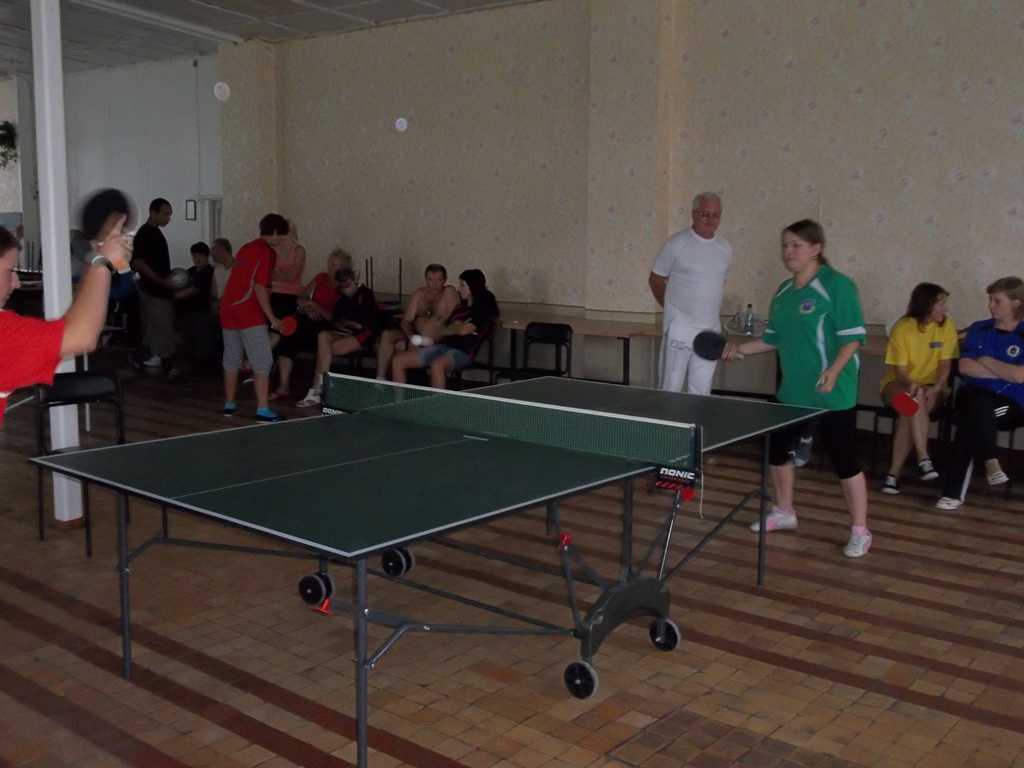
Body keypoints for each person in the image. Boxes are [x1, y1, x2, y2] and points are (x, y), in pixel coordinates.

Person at [722, 219, 871, 558]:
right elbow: (773, 339)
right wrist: (740, 350)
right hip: (793, 390)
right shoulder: (784, 292)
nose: (788, 252)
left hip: (832, 390)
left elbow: (853, 337)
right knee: (776, 449)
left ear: (816, 249)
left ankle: (860, 531)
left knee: (844, 459)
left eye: (796, 245)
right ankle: (784, 511)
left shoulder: (837, 286)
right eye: (785, 245)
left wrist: (834, 370)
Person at [0, 220, 132, 427]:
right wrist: (104, 261)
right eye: (10, 271)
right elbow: (82, 336)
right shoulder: (5, 333)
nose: (16, 282)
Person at [936, 276, 1024, 511]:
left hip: (1011, 402)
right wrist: (1004, 371)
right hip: (972, 393)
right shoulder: (979, 328)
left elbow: (1019, 376)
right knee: (976, 405)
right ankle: (991, 462)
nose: (991, 306)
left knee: (972, 419)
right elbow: (965, 367)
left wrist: (985, 360)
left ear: (1016, 302)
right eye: (990, 300)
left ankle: (953, 493)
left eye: (997, 301)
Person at [649, 192, 733, 395]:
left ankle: (696, 418)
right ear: (694, 214)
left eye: (715, 214)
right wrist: (673, 310)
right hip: (680, 328)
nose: (710, 219)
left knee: (702, 391)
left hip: (710, 330)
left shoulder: (724, 247)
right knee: (670, 390)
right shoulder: (676, 244)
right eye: (705, 214)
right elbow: (656, 280)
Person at [878, 283, 958, 494]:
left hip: (932, 388)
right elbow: (900, 371)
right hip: (899, 384)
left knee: (911, 407)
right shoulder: (903, 327)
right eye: (941, 303)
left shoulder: (947, 327)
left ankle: (893, 475)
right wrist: (913, 386)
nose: (945, 308)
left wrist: (937, 387)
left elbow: (945, 365)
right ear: (926, 305)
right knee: (913, 399)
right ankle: (923, 457)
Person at [220, 214, 289, 423]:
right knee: (262, 361)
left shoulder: (245, 248)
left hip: (228, 309)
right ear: (274, 232)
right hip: (248, 312)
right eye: (281, 236)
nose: (282, 240)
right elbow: (259, 287)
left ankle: (229, 405)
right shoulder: (267, 252)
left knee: (231, 359)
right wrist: (273, 318)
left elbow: (243, 277)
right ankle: (263, 410)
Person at [390, 269, 499, 390]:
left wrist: (456, 327)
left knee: (437, 366)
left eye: (462, 285)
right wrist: (456, 327)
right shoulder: (460, 307)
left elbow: (463, 330)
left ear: (472, 287)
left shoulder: (483, 308)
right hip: (444, 345)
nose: (459, 289)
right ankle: (399, 400)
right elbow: (449, 327)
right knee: (398, 361)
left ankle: (438, 402)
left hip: (464, 351)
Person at [270, 248, 347, 400]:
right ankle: (283, 386)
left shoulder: (343, 287)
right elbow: (301, 298)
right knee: (288, 335)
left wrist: (314, 305)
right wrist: (307, 307)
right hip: (308, 319)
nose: (330, 267)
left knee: (304, 330)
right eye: (329, 263)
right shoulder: (320, 277)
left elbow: (333, 318)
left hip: (324, 326)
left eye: (334, 265)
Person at [296, 268, 378, 408]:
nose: (346, 290)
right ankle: (324, 384)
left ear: (354, 280)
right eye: (342, 288)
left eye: (348, 286)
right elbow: (335, 320)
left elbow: (362, 324)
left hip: (364, 336)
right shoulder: (340, 297)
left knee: (323, 351)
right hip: (344, 333)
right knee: (322, 336)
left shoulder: (365, 294)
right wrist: (342, 324)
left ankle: (317, 389)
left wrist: (347, 323)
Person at [376, 263, 460, 380]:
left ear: (445, 280)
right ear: (426, 279)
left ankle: (415, 383)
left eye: (438, 280)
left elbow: (454, 322)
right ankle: (380, 380)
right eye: (430, 280)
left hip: (435, 338)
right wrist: (410, 335)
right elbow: (405, 321)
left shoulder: (449, 292)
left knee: (412, 346)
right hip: (415, 334)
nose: (434, 285)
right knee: (386, 335)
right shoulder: (420, 294)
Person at [129, 198, 178, 378]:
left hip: (159, 289)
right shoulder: (145, 234)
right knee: (163, 327)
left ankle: (137, 355)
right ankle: (167, 366)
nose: (168, 218)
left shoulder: (155, 233)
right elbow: (139, 263)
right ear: (153, 213)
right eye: (166, 214)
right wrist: (162, 281)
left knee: (156, 328)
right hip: (154, 290)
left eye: (170, 215)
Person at [174, 242, 219, 371]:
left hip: (199, 310)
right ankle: (194, 358)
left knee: (195, 330)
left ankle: (201, 360)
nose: (197, 259)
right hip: (185, 312)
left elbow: (192, 290)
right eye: (194, 256)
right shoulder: (190, 272)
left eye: (200, 256)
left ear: (206, 257)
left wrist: (174, 295)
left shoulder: (209, 272)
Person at [270, 219, 306, 320]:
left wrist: (276, 272)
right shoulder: (276, 249)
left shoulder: (299, 250)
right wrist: (281, 275)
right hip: (275, 291)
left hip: (291, 293)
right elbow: (269, 273)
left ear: (291, 233)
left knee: (281, 317)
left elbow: (292, 278)